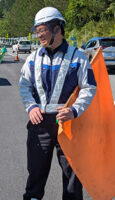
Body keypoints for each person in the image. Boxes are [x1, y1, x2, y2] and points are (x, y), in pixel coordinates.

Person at [19, 7, 97, 200]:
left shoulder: (78, 58)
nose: (38, 35)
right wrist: (31, 107)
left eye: (41, 30)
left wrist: (74, 110)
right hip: (40, 125)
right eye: (36, 31)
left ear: (56, 28)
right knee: (35, 178)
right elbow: (24, 86)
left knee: (72, 181)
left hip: (69, 125)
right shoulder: (33, 58)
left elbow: (89, 87)